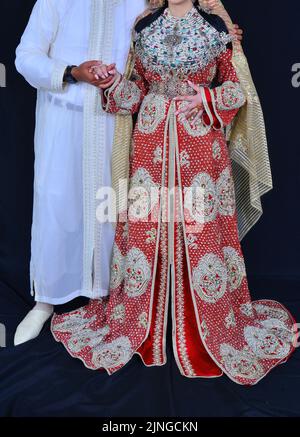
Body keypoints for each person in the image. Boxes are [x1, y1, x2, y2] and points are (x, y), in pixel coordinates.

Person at [51, 0, 297, 385]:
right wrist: (114, 84)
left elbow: (236, 91)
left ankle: (204, 328)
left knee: (200, 231)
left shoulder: (216, 26)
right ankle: (142, 323)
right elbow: (136, 94)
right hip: (149, 143)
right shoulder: (144, 25)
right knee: (147, 229)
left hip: (200, 140)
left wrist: (208, 99)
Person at [14, 0, 147, 345]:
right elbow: (26, 56)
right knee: (56, 205)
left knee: (111, 207)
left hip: (113, 124)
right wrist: (73, 71)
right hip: (62, 121)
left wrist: (226, 35)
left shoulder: (140, 3)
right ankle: (45, 299)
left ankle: (107, 294)